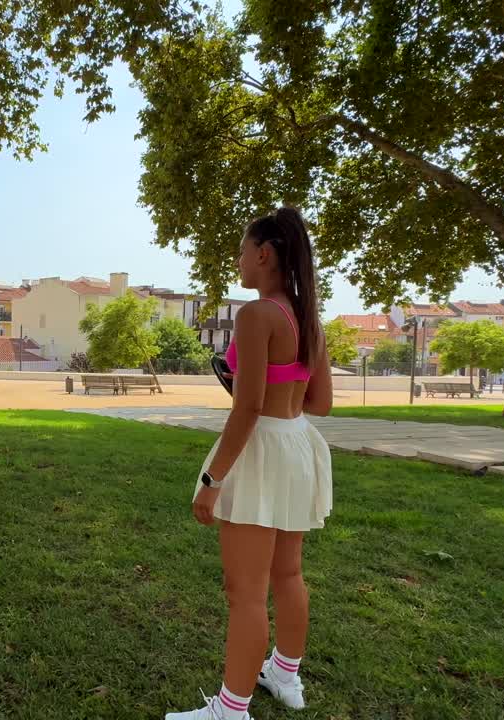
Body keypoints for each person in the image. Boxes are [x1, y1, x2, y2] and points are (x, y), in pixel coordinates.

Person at [166, 207, 334, 720]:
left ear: (264, 254)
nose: (238, 260)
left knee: (244, 592)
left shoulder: (257, 315)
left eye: (242, 250)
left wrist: (212, 478)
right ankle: (285, 673)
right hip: (298, 446)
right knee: (288, 574)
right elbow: (320, 402)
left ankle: (230, 710)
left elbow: (248, 407)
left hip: (261, 450)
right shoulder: (306, 318)